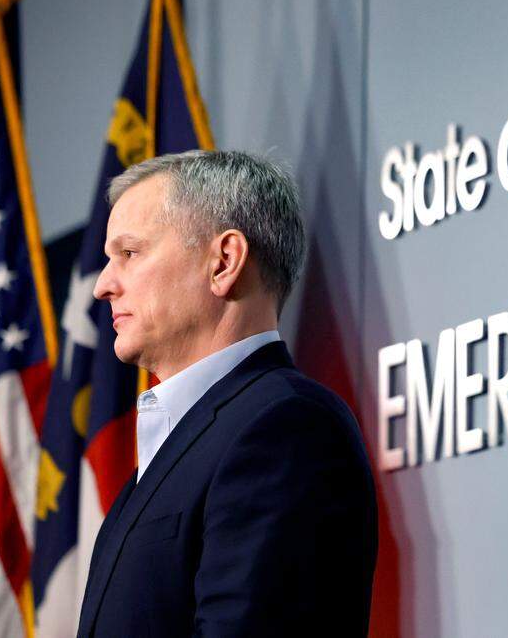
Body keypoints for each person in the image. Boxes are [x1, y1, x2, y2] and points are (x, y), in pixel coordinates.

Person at [76, 150, 377, 637]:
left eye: (129, 254)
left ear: (224, 261)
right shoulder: (175, 449)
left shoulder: (286, 427)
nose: (104, 286)